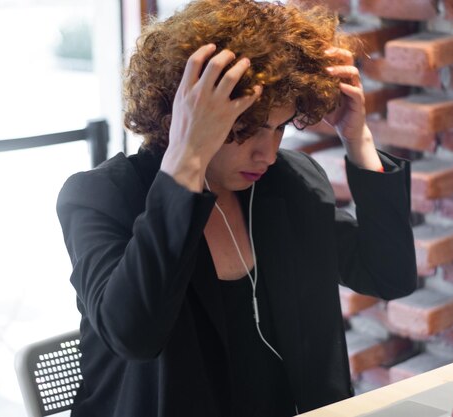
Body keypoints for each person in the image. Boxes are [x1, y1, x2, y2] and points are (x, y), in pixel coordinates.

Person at [56, 0, 417, 416]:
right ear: (185, 112)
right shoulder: (101, 197)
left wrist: (359, 141)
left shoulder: (289, 182)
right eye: (243, 129)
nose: (267, 152)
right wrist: (186, 158)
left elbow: (388, 275)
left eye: (279, 127)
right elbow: (134, 334)